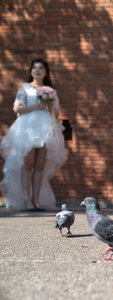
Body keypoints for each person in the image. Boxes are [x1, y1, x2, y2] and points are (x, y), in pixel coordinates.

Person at [0, 59, 67, 211]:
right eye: (35, 68)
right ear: (31, 71)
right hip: (28, 129)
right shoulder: (24, 88)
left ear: (45, 72)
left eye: (41, 68)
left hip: (46, 130)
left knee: (40, 165)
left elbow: (57, 113)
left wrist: (49, 106)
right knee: (28, 164)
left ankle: (36, 201)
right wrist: (36, 106)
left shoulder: (50, 91)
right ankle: (26, 199)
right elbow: (17, 108)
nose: (37, 70)